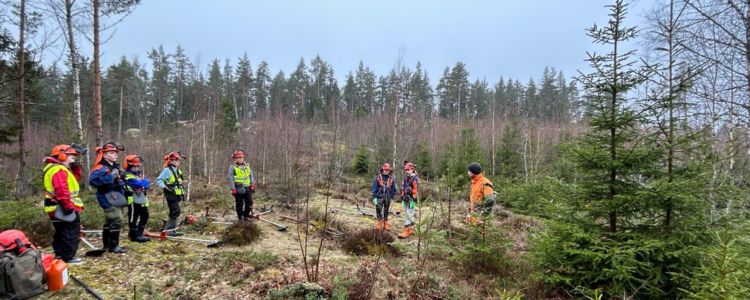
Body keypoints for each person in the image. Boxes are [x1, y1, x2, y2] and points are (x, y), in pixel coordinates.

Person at [43, 144, 85, 264]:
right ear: (61, 156)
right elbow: (62, 189)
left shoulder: (57, 168)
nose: (74, 158)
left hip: (56, 205)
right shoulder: (59, 169)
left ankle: (60, 255)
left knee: (61, 231)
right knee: (70, 231)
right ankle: (68, 257)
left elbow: (72, 182)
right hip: (62, 205)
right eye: (71, 156)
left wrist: (76, 169)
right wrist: (68, 206)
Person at [88, 142, 128, 254]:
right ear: (104, 155)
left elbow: (119, 180)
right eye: (111, 152)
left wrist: (122, 179)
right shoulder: (100, 167)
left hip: (116, 195)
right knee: (116, 219)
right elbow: (93, 181)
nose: (115, 154)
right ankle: (114, 246)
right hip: (106, 195)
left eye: (115, 152)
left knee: (110, 221)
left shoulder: (116, 166)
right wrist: (111, 176)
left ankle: (108, 244)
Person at [156, 151, 186, 236]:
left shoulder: (177, 170)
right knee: (175, 211)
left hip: (177, 193)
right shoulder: (167, 170)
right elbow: (159, 179)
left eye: (178, 160)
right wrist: (164, 187)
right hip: (170, 193)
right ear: (171, 161)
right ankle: (169, 231)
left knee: (175, 212)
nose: (178, 162)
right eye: (176, 160)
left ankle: (172, 230)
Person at [123, 155, 150, 242]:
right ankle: (133, 236)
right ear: (129, 166)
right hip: (132, 199)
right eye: (135, 166)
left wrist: (144, 182)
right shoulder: (127, 175)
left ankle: (139, 234)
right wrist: (143, 182)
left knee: (145, 216)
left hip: (142, 198)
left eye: (138, 166)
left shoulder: (140, 174)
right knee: (133, 218)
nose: (136, 167)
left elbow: (147, 184)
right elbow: (138, 184)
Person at [228, 150, 255, 221]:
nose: (240, 159)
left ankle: (246, 216)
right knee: (239, 204)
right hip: (238, 189)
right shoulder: (232, 167)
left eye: (242, 157)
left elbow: (251, 176)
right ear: (235, 159)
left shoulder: (247, 166)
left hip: (248, 188)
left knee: (249, 203)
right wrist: (233, 189)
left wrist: (252, 184)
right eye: (238, 158)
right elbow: (231, 179)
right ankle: (241, 218)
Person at [371, 163, 397, 230]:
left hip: (388, 197)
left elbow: (394, 189)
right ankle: (379, 222)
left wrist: (391, 196)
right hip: (379, 196)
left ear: (390, 170)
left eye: (388, 170)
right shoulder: (378, 177)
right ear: (382, 169)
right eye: (385, 170)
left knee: (386, 210)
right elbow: (374, 187)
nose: (386, 171)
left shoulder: (391, 179)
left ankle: (386, 223)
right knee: (378, 209)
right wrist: (374, 197)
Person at [398, 162, 419, 238]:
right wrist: (402, 196)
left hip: (412, 199)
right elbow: (403, 187)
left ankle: (406, 231)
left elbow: (417, 190)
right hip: (405, 199)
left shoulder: (415, 178)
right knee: (409, 214)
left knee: (408, 215)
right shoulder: (407, 178)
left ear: (412, 169)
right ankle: (412, 229)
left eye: (408, 169)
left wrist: (414, 200)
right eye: (406, 170)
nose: (406, 171)